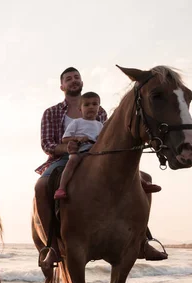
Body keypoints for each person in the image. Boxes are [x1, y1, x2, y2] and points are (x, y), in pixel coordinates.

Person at [35, 67, 166, 270]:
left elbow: (109, 138)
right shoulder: (52, 113)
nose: (73, 80)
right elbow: (47, 144)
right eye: (68, 79)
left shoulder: (100, 111)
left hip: (99, 157)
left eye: (76, 77)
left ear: (82, 82)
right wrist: (68, 147)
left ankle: (142, 240)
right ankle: (51, 248)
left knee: (142, 177)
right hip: (65, 158)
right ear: (62, 86)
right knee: (41, 185)